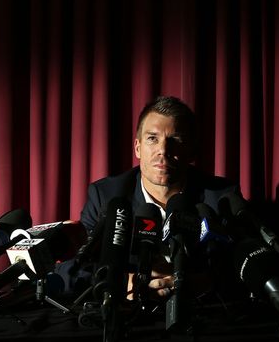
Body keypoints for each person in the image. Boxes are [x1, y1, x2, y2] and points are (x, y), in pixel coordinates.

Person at [73, 95, 241, 300]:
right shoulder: (106, 197)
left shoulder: (221, 198)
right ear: (137, 148)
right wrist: (122, 282)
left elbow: (245, 265)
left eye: (175, 140)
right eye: (153, 138)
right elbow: (77, 268)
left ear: (192, 152)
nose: (163, 150)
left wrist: (205, 283)